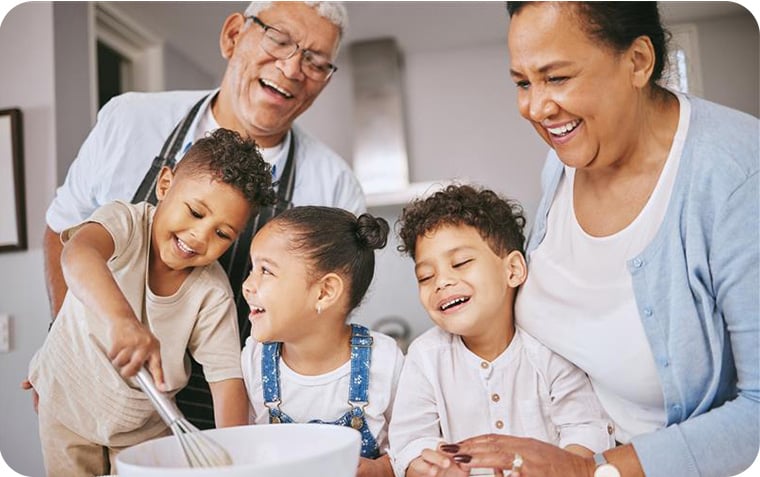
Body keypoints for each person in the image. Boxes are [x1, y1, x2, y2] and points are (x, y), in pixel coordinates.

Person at [451, 3, 759, 477]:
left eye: (556, 78)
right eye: (522, 82)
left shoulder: (738, 176)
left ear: (638, 61)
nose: (535, 107)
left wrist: (590, 470)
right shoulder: (563, 163)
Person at [39, 1, 365, 429]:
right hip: (99, 385)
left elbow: (331, 321)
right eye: (280, 40)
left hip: (242, 411)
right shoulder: (129, 120)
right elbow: (65, 230)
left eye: (316, 62)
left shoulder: (334, 186)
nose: (291, 68)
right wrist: (68, 351)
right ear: (233, 36)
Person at [27, 129, 276, 477]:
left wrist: (236, 459)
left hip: (142, 430)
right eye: (195, 212)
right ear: (164, 185)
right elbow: (77, 254)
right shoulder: (124, 224)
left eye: (222, 234)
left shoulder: (212, 293)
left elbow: (227, 382)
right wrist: (122, 321)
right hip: (67, 410)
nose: (200, 236)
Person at [390, 184, 614, 477]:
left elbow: (586, 430)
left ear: (512, 270)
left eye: (460, 262)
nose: (441, 282)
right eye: (425, 276)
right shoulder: (425, 358)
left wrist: (563, 466)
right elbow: (410, 443)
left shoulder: (549, 346)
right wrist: (433, 469)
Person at [240, 206, 404, 477]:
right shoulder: (254, 359)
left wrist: (380, 469)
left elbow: (413, 446)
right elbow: (245, 451)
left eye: (265, 271)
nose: (247, 284)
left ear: (325, 292)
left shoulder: (385, 359)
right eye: (251, 268)